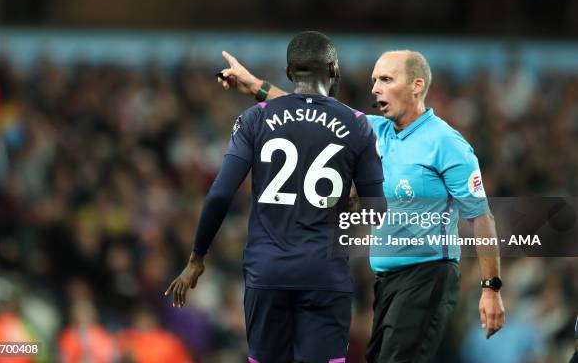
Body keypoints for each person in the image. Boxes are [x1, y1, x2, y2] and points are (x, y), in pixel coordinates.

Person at [217, 48, 506, 362]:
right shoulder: (375, 131)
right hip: (387, 282)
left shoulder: (447, 144)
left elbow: (481, 217)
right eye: (373, 80)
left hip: (429, 276)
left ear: (416, 85)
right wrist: (255, 86)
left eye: (386, 79)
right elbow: (311, 112)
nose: (375, 88)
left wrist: (490, 288)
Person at [166, 31, 386, 363]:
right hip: (325, 274)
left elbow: (219, 195)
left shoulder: (255, 119)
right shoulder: (357, 126)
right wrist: (349, 205)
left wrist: (197, 259)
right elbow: (377, 213)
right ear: (333, 71)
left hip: (266, 273)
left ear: (288, 73)